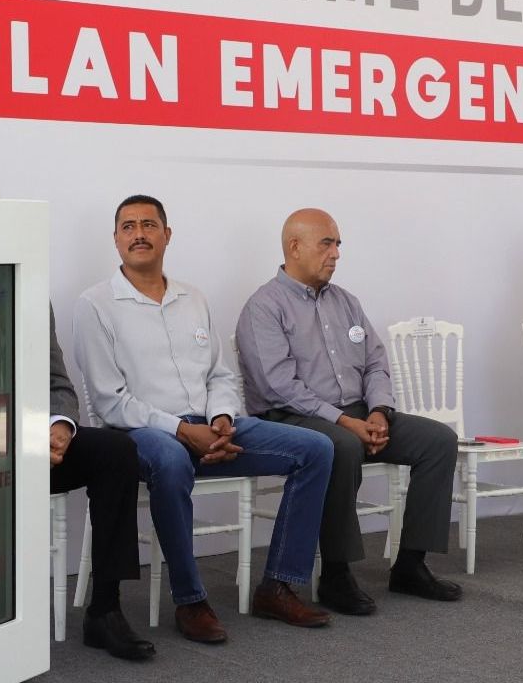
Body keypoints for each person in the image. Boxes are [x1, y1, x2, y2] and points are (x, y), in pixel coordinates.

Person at [71, 194, 335, 644]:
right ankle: (191, 600)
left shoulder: (192, 298)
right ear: (115, 239)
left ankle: (278, 586)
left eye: (149, 225)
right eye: (128, 227)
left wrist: (222, 420)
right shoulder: (95, 304)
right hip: (141, 434)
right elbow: (110, 400)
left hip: (209, 427)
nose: (139, 234)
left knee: (316, 449)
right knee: (171, 460)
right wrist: (180, 430)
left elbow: (219, 375)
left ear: (167, 235)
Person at [0, 182, 152, 661]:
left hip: (32, 447)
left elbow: (56, 381)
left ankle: (104, 610)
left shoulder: (26, 289)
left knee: (116, 451)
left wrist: (60, 426)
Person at [235, 208, 460, 615]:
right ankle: (336, 575)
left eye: (338, 244)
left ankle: (410, 565)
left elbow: (375, 362)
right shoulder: (264, 307)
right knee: (342, 445)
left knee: (439, 441)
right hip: (291, 417)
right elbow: (277, 385)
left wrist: (379, 411)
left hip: (358, 413)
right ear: (294, 247)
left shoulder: (346, 302)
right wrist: (344, 421)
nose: (336, 253)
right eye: (326, 243)